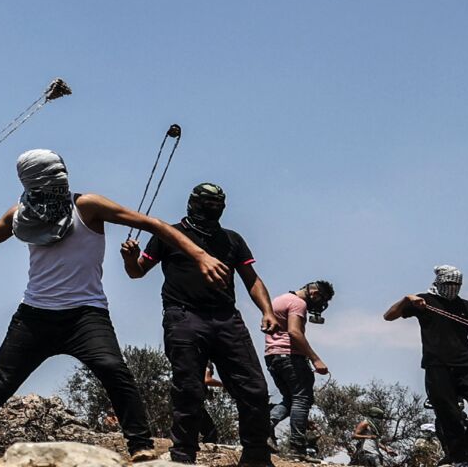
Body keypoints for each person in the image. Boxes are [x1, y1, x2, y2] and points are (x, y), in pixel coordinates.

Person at [0, 150, 231, 465]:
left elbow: (154, 224)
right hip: (34, 316)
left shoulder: (88, 206)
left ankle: (140, 446)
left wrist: (200, 255)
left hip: (86, 315)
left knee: (114, 370)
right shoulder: (21, 214)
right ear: (30, 182)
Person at [122, 183, 280, 466]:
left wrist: (267, 311)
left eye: (217, 203)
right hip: (183, 316)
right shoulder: (168, 234)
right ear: (192, 202)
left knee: (254, 388)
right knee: (189, 388)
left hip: (227, 318)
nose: (211, 207)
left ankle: (256, 456)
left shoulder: (232, 239)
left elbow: (251, 278)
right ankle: (183, 456)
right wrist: (130, 259)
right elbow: (137, 272)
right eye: (206, 202)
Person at [384, 266, 468, 467]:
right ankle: (461, 457)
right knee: (449, 415)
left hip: (466, 365)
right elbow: (389, 316)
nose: (453, 288)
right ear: (439, 282)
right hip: (436, 366)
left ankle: (462, 451)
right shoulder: (424, 301)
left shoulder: (466, 306)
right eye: (449, 284)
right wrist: (407, 299)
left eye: (457, 285)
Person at [263, 280, 335, 460]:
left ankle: (264, 427)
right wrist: (315, 359)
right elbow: (294, 332)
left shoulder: (280, 299)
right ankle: (297, 449)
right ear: (315, 294)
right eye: (321, 300)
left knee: (290, 399)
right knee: (302, 399)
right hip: (290, 356)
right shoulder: (298, 303)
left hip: (272, 355)